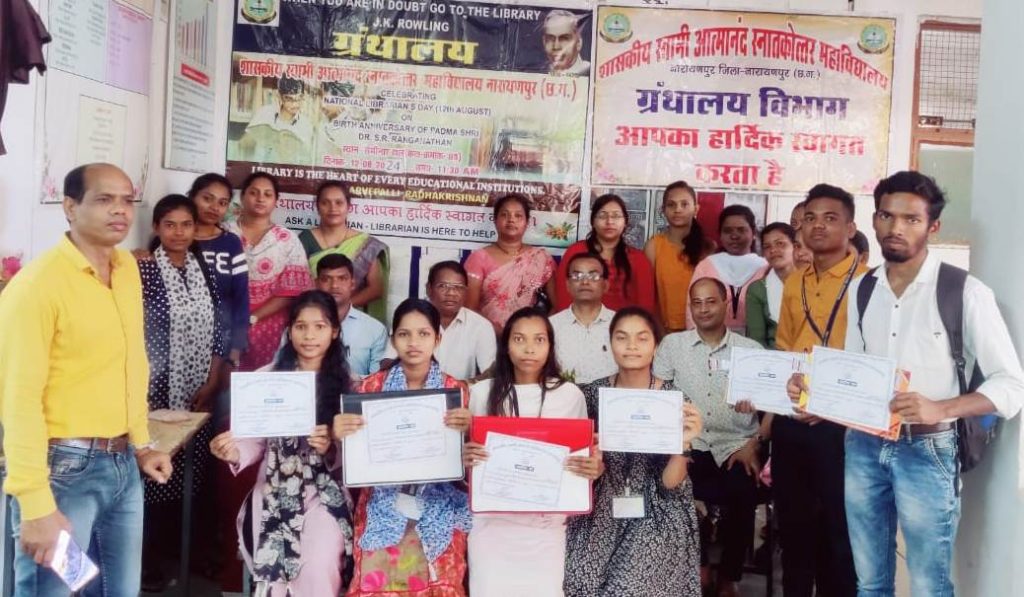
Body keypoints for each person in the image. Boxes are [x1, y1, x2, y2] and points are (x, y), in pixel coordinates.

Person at [841, 171, 1024, 595]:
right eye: (886, 216)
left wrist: (941, 408)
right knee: (869, 583)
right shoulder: (863, 289)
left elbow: (1012, 385)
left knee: (928, 584)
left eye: (911, 219)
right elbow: (854, 369)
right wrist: (815, 394)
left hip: (927, 449)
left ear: (933, 226)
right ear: (875, 219)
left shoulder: (965, 292)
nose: (896, 228)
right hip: (864, 445)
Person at [0, 163, 173, 596]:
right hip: (62, 473)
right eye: (104, 199)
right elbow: (18, 400)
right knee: (53, 590)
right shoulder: (37, 286)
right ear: (70, 207)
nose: (120, 210)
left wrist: (141, 443)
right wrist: (35, 503)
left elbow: (132, 362)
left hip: (122, 468)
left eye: (127, 200)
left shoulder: (126, 269)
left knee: (119, 590)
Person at [210, 290, 354, 596]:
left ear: (334, 331)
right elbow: (252, 440)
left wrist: (330, 446)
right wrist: (234, 451)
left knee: (318, 564)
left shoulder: (349, 385)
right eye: (301, 326)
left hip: (323, 495)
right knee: (274, 572)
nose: (309, 336)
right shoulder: (267, 379)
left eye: (319, 327)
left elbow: (357, 456)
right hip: (273, 492)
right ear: (289, 331)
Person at [334, 298, 473, 596]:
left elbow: (466, 461)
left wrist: (467, 432)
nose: (413, 343)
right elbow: (356, 457)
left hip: (439, 501)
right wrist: (341, 434)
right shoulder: (369, 389)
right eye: (404, 334)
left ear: (437, 339)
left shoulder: (455, 391)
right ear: (393, 339)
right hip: (382, 501)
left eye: (423, 334)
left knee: (441, 582)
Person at [564, 307, 704, 597]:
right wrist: (593, 465)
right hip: (601, 504)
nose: (631, 346)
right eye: (622, 337)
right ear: (610, 344)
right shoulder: (591, 395)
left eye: (642, 338)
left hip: (659, 508)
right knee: (580, 581)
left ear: (656, 346)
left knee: (631, 586)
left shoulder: (674, 400)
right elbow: (576, 466)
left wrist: (683, 444)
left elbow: (670, 483)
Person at [464, 306, 601, 596]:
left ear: (550, 346)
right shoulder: (482, 393)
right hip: (492, 525)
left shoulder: (569, 395)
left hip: (545, 526)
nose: (529, 348)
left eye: (539, 339)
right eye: (519, 339)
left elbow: (581, 462)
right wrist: (465, 458)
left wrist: (593, 468)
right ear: (506, 345)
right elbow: (469, 462)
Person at [773, 183, 865, 597]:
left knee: (838, 531)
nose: (818, 226)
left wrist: (829, 403)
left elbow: (873, 363)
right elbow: (785, 348)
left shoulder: (868, 284)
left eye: (830, 218)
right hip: (794, 419)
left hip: (842, 426)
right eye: (810, 218)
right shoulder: (795, 281)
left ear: (851, 227)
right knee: (793, 528)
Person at [654, 278, 767, 597]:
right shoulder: (672, 346)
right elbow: (658, 395)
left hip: (738, 445)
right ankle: (699, 566)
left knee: (743, 491)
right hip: (692, 443)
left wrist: (755, 442)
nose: (703, 309)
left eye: (711, 301)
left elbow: (774, 407)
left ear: (727, 305)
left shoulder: (751, 351)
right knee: (679, 490)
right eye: (697, 302)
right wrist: (677, 442)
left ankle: (729, 576)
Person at [138, 194, 228, 591]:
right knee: (155, 475)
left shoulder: (202, 267)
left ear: (195, 230)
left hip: (199, 391)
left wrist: (213, 381)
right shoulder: (142, 269)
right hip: (155, 389)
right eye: (170, 224)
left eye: (186, 225)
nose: (178, 232)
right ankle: (148, 560)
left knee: (194, 475)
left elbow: (220, 330)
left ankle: (184, 552)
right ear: (156, 228)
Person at [225, 171, 312, 371]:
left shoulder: (287, 239)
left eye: (267, 194)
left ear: (276, 201)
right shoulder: (224, 232)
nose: (260, 198)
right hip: (225, 320)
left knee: (264, 380)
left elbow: (291, 291)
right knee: (223, 378)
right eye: (254, 192)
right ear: (242, 197)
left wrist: (252, 318)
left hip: (271, 325)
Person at [385, 260, 496, 381]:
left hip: (461, 391)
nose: (451, 293)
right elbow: (387, 363)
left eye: (458, 287)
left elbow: (490, 373)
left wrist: (456, 386)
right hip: (413, 389)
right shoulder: (409, 318)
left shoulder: (480, 326)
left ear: (465, 292)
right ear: (429, 289)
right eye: (443, 286)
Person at [299, 180, 390, 323]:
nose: (332, 208)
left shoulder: (365, 244)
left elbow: (375, 289)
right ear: (317, 207)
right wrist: (320, 310)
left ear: (349, 207)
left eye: (339, 203)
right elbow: (298, 284)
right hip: (314, 317)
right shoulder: (305, 239)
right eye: (325, 203)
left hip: (353, 319)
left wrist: (341, 310)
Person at [465, 193, 557, 332]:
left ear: (527, 222)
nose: (511, 220)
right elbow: (469, 309)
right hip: (486, 336)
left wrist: (537, 333)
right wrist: (500, 333)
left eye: (518, 215)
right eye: (504, 215)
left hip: (528, 337)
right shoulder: (478, 258)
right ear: (495, 220)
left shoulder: (541, 258)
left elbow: (557, 306)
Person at [553, 193, 655, 313]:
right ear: (593, 222)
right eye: (602, 216)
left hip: (625, 323)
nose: (609, 221)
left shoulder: (638, 259)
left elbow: (646, 305)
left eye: (616, 216)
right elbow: (563, 297)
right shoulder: (575, 251)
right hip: (581, 321)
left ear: (625, 222)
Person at [189, 172, 250, 368]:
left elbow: (241, 298)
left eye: (222, 203)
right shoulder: (176, 239)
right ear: (192, 196)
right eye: (207, 199)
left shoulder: (230, 243)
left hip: (222, 338)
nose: (215, 207)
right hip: (178, 338)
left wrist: (235, 350)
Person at [644, 180, 713, 333]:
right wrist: (659, 332)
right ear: (663, 210)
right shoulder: (654, 246)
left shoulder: (708, 247)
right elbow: (648, 295)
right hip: (665, 331)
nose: (678, 209)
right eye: (671, 205)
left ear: (696, 209)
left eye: (684, 204)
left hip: (702, 331)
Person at [687, 204, 768, 333]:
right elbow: (692, 306)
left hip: (755, 338)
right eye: (727, 231)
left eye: (741, 230)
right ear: (720, 234)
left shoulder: (765, 268)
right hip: (711, 337)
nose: (734, 236)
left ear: (753, 233)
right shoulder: (707, 265)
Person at [314, 253, 387, 378]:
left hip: (357, 391)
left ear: (352, 284)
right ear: (316, 284)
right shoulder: (300, 327)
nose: (334, 285)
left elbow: (377, 380)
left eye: (342, 278)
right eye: (326, 279)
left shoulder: (375, 329)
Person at [549, 252, 618, 384]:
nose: (585, 282)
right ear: (568, 285)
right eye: (577, 276)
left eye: (593, 276)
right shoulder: (551, 326)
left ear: (605, 285)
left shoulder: (620, 324)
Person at [238, 76, 313, 164]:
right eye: (289, 99)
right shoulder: (265, 112)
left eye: (299, 98)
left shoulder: (306, 125)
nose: (295, 104)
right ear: (279, 96)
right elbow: (244, 144)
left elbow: (306, 159)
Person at [746, 222, 798, 349]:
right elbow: (756, 342)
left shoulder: (813, 282)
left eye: (780, 243)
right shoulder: (757, 289)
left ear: (795, 246)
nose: (773, 250)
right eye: (767, 246)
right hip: (773, 356)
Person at [541, 9, 590, 76]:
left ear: (578, 43)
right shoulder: (540, 72)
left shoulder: (591, 71)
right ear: (544, 42)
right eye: (550, 39)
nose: (556, 46)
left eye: (564, 39)